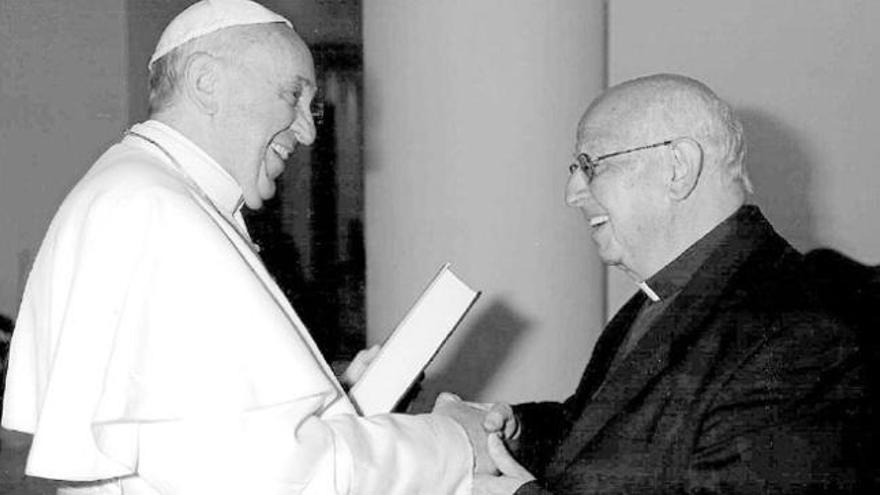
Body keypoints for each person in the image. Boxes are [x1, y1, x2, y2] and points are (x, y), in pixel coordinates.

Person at [1, 1, 491, 493]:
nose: (309, 129)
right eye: (293, 95)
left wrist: (339, 399)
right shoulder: (160, 216)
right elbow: (281, 479)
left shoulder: (135, 191)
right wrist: (453, 441)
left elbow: (203, 434)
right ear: (205, 81)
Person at [466, 74, 872, 493]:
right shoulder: (666, 294)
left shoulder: (797, 336)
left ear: (679, 167)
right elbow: (598, 433)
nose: (573, 192)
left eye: (590, 165)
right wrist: (517, 433)